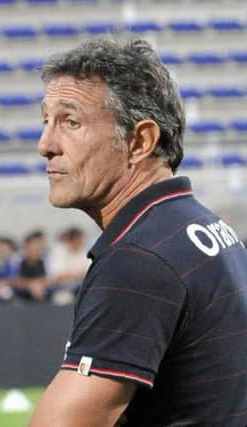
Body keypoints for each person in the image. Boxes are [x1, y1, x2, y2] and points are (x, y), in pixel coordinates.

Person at [29, 38, 247, 426]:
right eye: (46, 120)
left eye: (70, 121)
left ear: (140, 141)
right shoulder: (202, 226)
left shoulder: (139, 258)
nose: (45, 145)